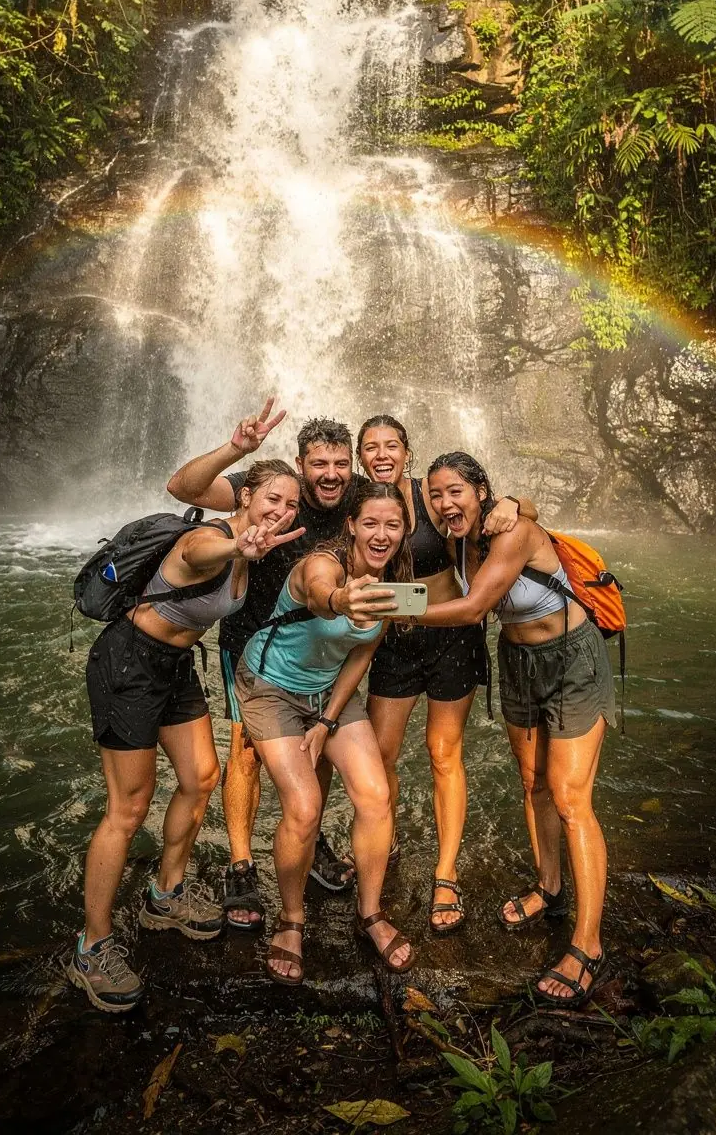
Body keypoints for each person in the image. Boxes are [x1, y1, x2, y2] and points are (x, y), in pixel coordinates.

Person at [68, 432, 303, 1014]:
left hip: (173, 667)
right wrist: (237, 546)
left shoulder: (253, 548)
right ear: (244, 496)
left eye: (290, 504)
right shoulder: (210, 538)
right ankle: (92, 947)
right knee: (128, 807)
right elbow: (197, 554)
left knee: (201, 777)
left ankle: (164, 894)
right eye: (271, 499)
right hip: (129, 662)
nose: (280, 511)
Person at [417, 451, 617, 1007]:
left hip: (571, 659)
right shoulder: (460, 541)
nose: (445, 503)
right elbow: (456, 586)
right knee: (534, 783)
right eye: (436, 494)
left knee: (572, 798)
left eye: (455, 491)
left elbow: (472, 607)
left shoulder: (514, 531)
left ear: (481, 491)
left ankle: (588, 943)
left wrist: (391, 613)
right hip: (517, 662)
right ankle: (550, 888)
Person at [167, 413, 372, 930]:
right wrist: (236, 448)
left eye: (340, 464)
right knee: (246, 751)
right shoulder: (274, 489)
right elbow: (182, 488)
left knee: (316, 743)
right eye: (319, 464)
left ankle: (310, 838)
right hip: (252, 642)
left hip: (320, 648)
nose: (331, 474)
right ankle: (240, 865)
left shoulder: (355, 496)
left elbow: (413, 502)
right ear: (301, 465)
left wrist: (514, 506)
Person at [356, 416, 532, 934]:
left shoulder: (433, 499)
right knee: (381, 753)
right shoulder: (358, 503)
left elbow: (496, 507)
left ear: (407, 452)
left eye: (391, 445)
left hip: (452, 636)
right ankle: (383, 840)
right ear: (360, 457)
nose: (382, 454)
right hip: (395, 642)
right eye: (371, 447)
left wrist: (515, 503)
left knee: (443, 752)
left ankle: (446, 873)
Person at [234, 481, 414, 986]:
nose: (381, 535)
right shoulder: (322, 565)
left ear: (404, 531)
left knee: (375, 795)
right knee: (305, 806)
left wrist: (327, 721)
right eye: (371, 523)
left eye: (393, 525)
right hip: (269, 687)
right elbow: (319, 595)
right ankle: (292, 918)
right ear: (351, 525)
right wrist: (340, 598)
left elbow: (361, 653)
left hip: (327, 690)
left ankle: (370, 913)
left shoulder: (392, 581)